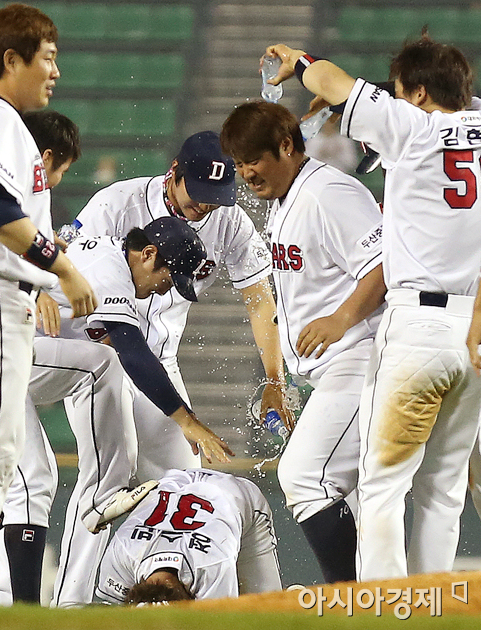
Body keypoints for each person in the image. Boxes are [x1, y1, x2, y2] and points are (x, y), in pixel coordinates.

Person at [263, 35, 481, 581]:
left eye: (404, 92)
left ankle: (384, 608)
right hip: (474, 325)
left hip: (416, 328)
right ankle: (437, 608)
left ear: (420, 93)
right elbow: (429, 98)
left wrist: (299, 63)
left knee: (383, 483)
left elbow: (331, 81)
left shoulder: (411, 129)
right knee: (444, 490)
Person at [51, 130, 292, 607]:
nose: (206, 206)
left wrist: (274, 378)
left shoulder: (230, 222)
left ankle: (176, 609)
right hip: (98, 357)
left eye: (216, 197)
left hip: (158, 363)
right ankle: (71, 608)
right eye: (198, 193)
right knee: (105, 481)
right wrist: (188, 419)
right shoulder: (116, 204)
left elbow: (260, 299)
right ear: (174, 173)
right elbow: (61, 256)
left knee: (184, 494)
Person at [0, 110, 156, 605]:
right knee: (99, 365)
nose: (59, 179)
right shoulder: (9, 195)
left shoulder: (22, 202)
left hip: (5, 348)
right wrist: (39, 278)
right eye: (60, 169)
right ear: (44, 159)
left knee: (30, 478)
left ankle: (15, 607)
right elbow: (0, 235)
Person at [221, 101, 386, 583]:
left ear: (288, 147)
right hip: (333, 366)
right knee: (353, 497)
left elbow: (383, 265)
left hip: (363, 356)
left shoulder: (327, 192)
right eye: (239, 162)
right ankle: (372, 596)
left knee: (304, 477)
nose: (246, 172)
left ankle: (345, 597)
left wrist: (341, 318)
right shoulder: (287, 195)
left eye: (255, 158)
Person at [0, 4, 97, 602]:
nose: (55, 71)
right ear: (11, 59)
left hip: (2, 298)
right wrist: (66, 269)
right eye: (47, 57)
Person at [96, 468, 282, 604]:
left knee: (266, 613)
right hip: (176, 481)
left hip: (238, 495)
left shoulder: (212, 565)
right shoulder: (120, 555)